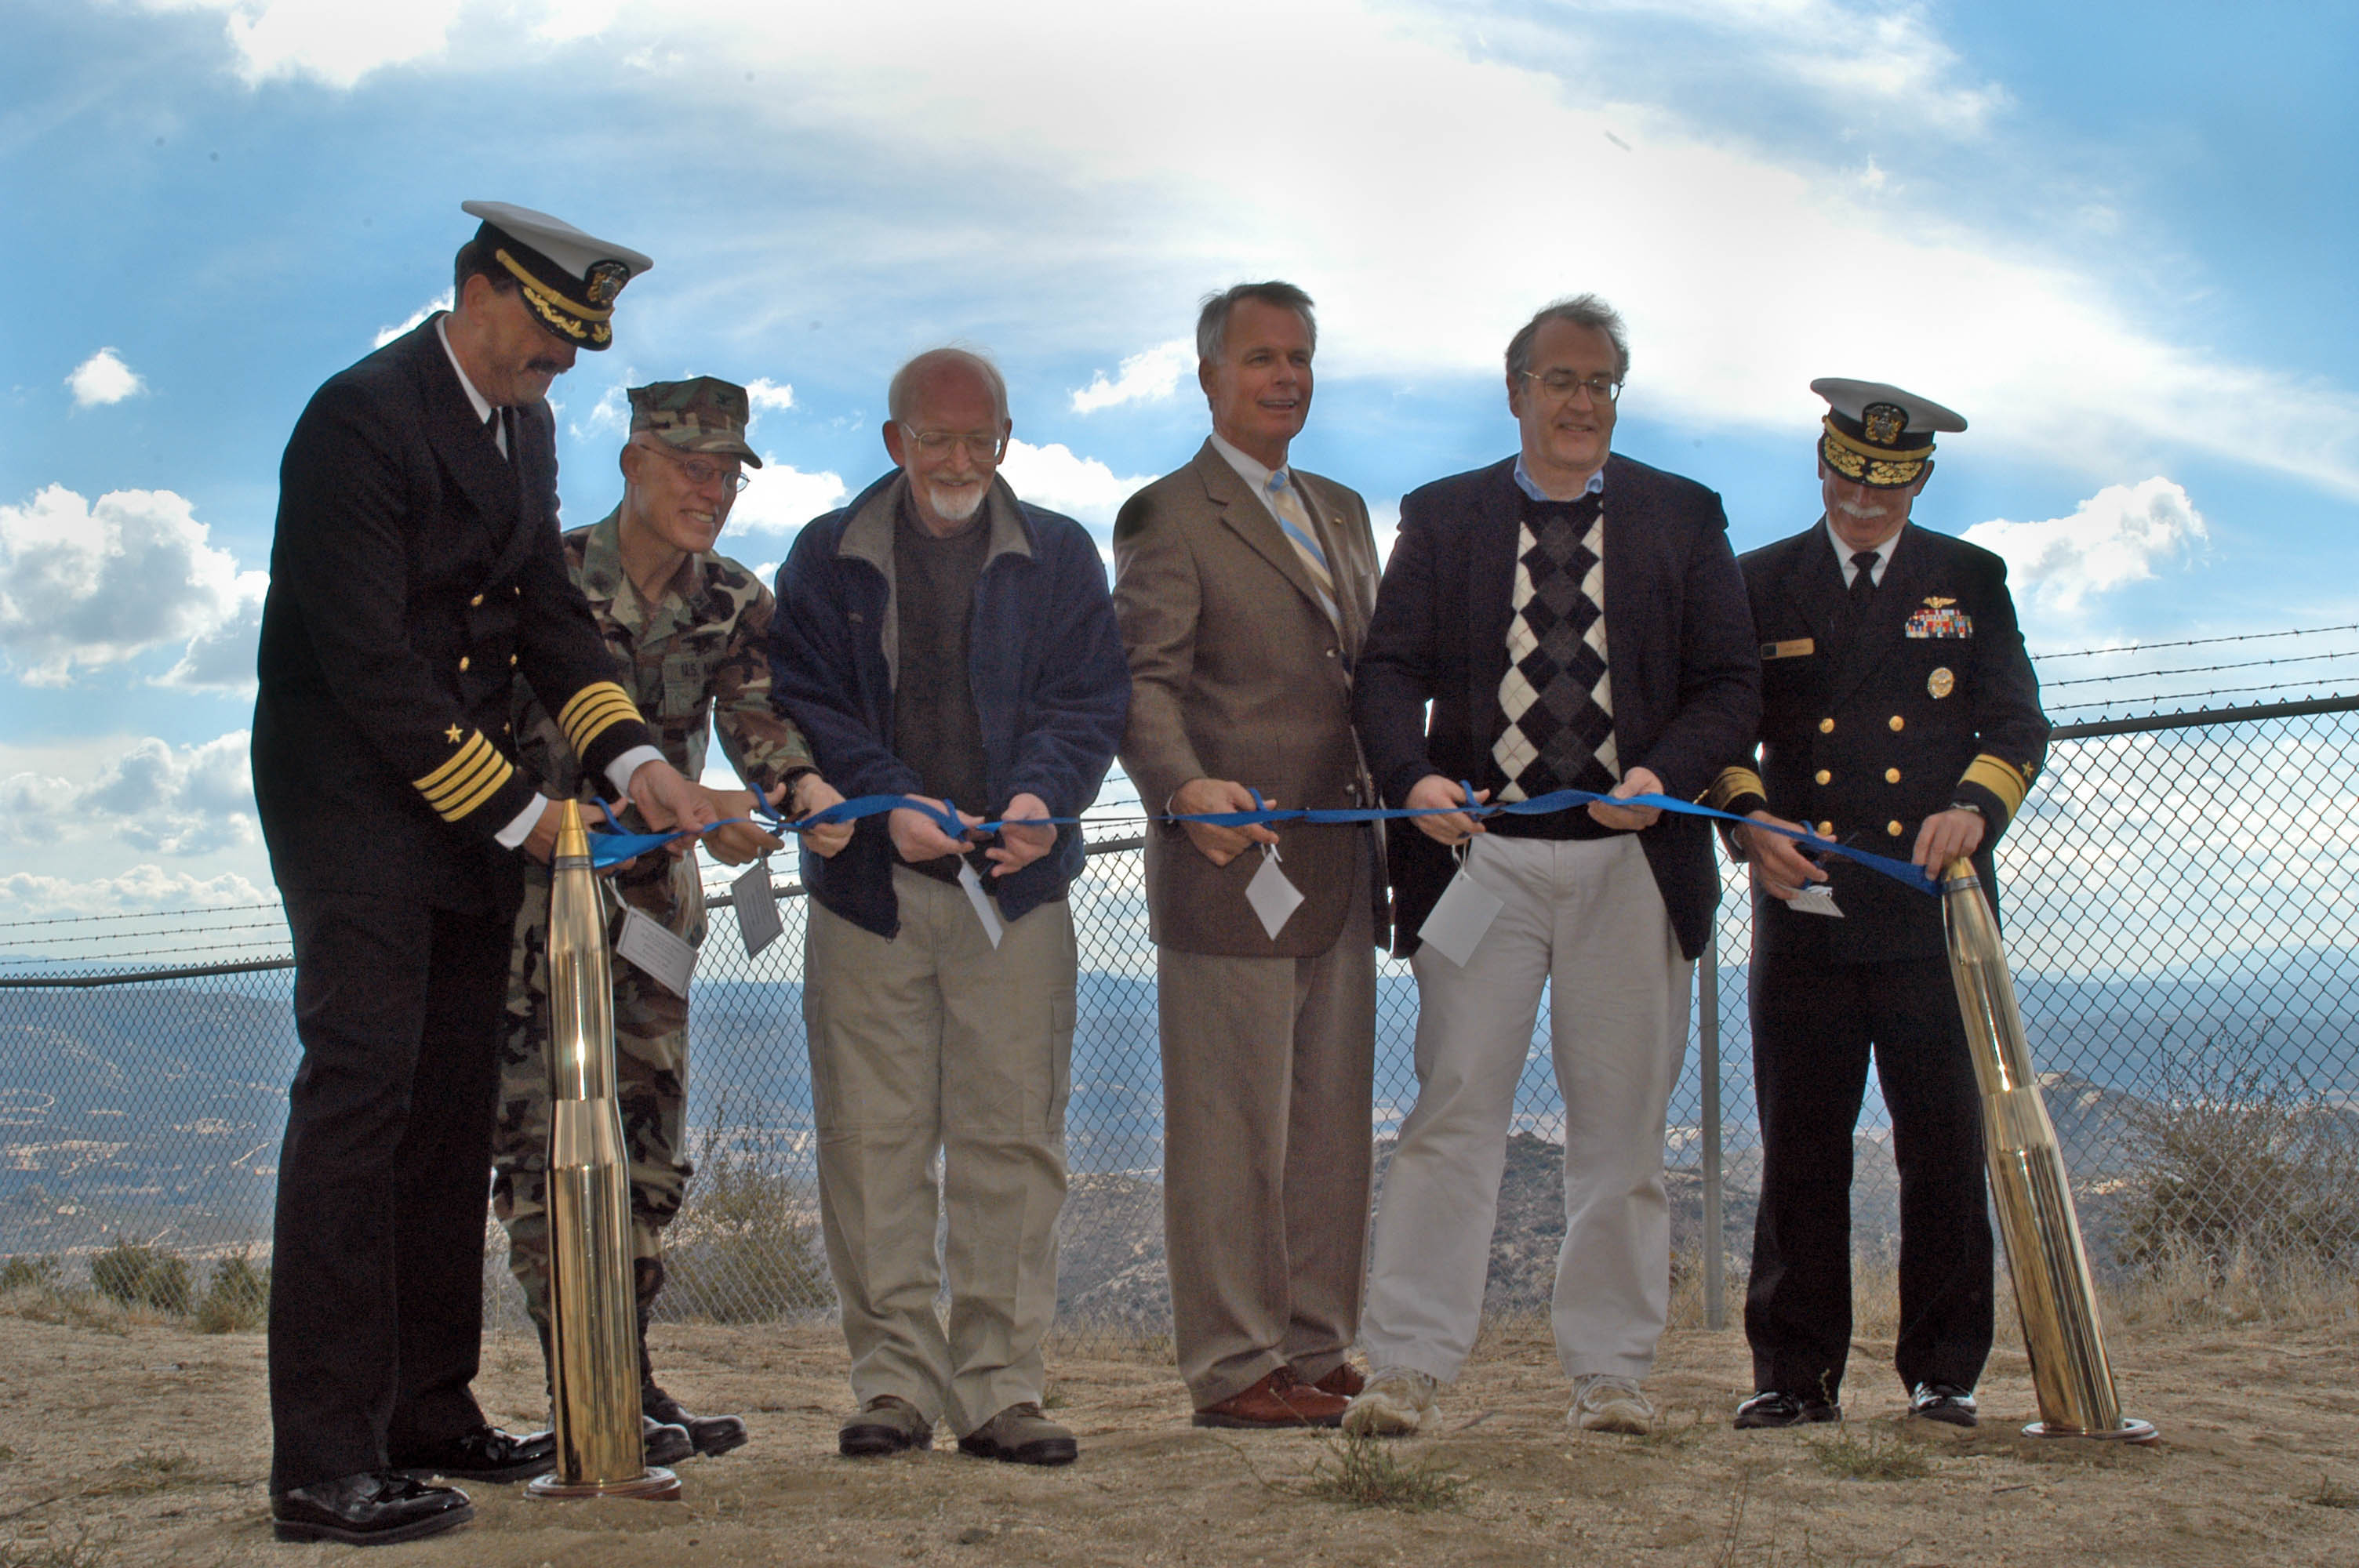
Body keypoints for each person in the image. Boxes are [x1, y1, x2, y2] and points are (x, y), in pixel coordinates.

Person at [252, 201, 722, 1544]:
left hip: (459, 815)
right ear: (476, 291)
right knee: (361, 1099)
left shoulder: (524, 427)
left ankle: (428, 1410)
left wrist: (631, 758)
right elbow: (367, 665)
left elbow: (545, 620)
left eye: (579, 346)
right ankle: (323, 1462)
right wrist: (522, 812)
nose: (559, 365)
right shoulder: (361, 416)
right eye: (546, 335)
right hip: (352, 797)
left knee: (450, 1108)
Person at [1345, 295, 1758, 1439]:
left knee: (1622, 1132)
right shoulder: (1442, 518)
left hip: (1632, 868)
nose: (1582, 403)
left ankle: (1611, 1374)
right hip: (1483, 864)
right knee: (1452, 1113)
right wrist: (1414, 780)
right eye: (1561, 380)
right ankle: (1411, 1370)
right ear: (1516, 388)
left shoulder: (1684, 518)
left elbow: (1733, 684)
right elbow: (1386, 673)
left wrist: (1662, 771)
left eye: (1601, 384)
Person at [768, 347, 1128, 1466]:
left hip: (1016, 895)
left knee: (1011, 1143)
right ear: (895, 444)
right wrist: (888, 802)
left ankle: (1000, 1390)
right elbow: (805, 704)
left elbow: (1090, 699)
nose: (962, 460)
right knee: (871, 1146)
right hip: (871, 898)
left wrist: (1041, 796)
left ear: (1007, 440)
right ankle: (892, 1387)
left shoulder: (1061, 553)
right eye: (938, 438)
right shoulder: (824, 556)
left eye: (984, 439)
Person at [489, 376, 855, 1463]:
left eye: (727, 473)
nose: (711, 489)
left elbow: (757, 722)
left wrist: (797, 796)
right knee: (543, 1144)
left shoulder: (733, 598)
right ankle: (581, 1389)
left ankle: (629, 1377)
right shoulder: (541, 577)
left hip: (651, 911)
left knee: (646, 1147)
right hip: (529, 909)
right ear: (632, 460)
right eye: (689, 465)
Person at [1706, 379, 2048, 1431]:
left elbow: (2016, 726)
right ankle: (1792, 1374)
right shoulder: (1760, 582)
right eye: (1848, 478)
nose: (1862, 503)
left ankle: (1945, 1371)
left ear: (1920, 482)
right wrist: (1750, 820)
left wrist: (1971, 814)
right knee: (1802, 1145)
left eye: (1886, 487)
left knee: (1941, 1143)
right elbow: (1721, 727)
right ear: (1822, 465)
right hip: (1805, 908)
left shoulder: (1970, 580)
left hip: (1932, 914)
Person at [1112, 282, 1387, 1430]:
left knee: (1330, 1131)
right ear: (1211, 377)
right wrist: (1182, 792)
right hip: (1232, 872)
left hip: (1339, 873)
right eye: (1263, 358)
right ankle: (1234, 1368)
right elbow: (1143, 683)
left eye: (1303, 358)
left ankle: (1319, 1351)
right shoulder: (1167, 515)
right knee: (1233, 1140)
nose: (1287, 378)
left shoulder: (1344, 509)